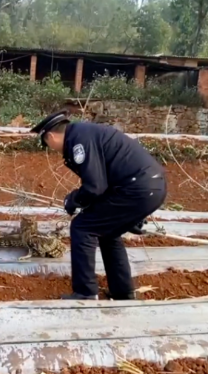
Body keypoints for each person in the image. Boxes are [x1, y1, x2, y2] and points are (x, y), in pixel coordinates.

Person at [31, 110, 166, 300]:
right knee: (108, 233)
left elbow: (95, 186)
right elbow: (106, 180)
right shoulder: (83, 133)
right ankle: (122, 292)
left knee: (82, 227)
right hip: (149, 187)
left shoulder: (79, 141)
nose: (51, 148)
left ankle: (85, 292)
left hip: (136, 189)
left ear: (51, 136)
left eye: (46, 144)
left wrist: (74, 199)